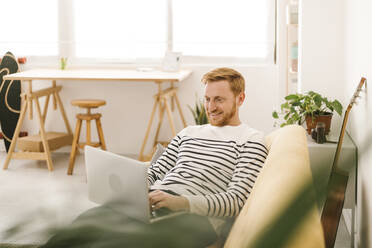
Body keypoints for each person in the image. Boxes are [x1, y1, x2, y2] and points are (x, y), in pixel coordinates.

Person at [42, 68, 267, 248]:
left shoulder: (251, 140)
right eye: (207, 99)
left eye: (219, 99)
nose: (210, 107)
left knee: (117, 241)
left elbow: (236, 200)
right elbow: (156, 171)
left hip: (192, 217)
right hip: (151, 204)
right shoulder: (188, 132)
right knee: (81, 227)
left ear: (240, 99)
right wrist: (134, 191)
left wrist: (181, 203)